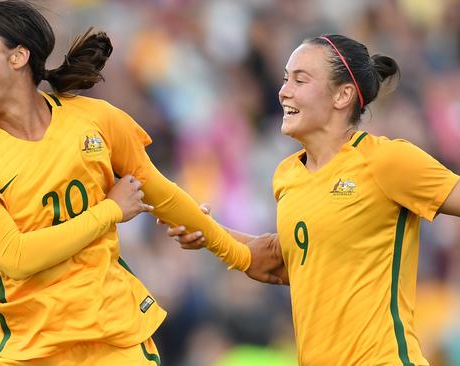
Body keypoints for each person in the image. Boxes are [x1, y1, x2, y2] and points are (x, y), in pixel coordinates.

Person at [0, 1, 280, 364]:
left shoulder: (96, 119)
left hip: (115, 339)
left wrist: (239, 254)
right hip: (27, 348)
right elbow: (15, 256)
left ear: (19, 56)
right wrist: (110, 211)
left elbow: (161, 193)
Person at [165, 34, 460, 366]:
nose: (283, 91)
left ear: (342, 95)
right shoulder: (287, 175)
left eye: (300, 80)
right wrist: (205, 230)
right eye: (285, 79)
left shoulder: (387, 160)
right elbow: (282, 260)